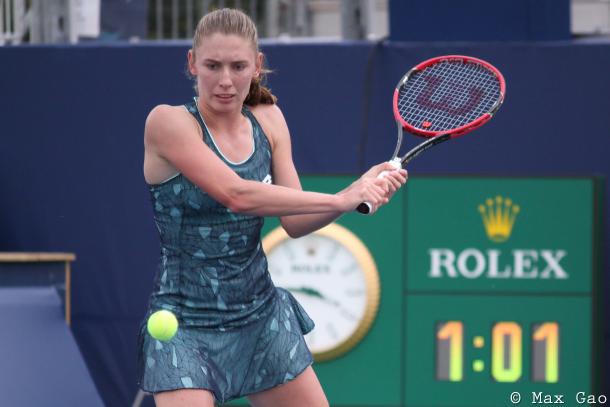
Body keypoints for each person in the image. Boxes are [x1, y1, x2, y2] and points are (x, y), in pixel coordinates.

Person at [137, 8, 407, 407]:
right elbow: (237, 194)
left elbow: (294, 223)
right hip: (184, 325)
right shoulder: (168, 123)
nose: (225, 80)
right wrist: (341, 197)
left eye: (238, 66)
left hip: (261, 319)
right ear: (192, 64)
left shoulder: (270, 120)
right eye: (212, 65)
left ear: (257, 66)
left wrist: (352, 197)